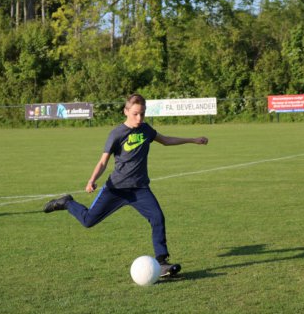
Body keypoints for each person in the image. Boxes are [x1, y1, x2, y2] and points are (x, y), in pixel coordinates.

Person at [43, 93, 209, 277]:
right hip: (116, 189)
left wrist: (192, 140)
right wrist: (92, 180)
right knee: (88, 221)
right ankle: (67, 202)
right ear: (126, 111)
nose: (139, 118)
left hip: (140, 189)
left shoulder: (146, 130)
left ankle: (162, 262)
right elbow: (103, 161)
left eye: (142, 114)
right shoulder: (117, 134)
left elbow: (166, 140)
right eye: (135, 114)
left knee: (157, 218)